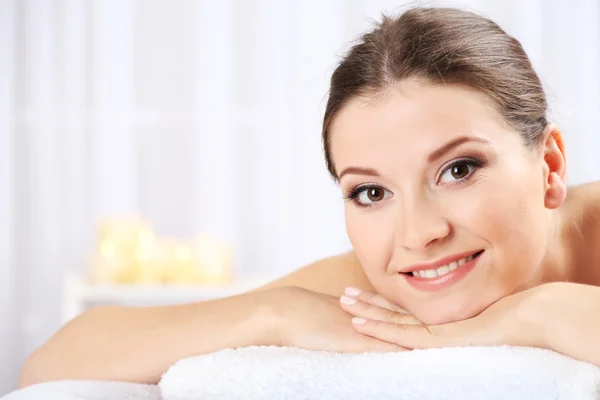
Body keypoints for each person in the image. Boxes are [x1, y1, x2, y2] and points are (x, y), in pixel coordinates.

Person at [19, 6, 600, 388]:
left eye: (458, 169)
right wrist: (276, 311)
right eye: (371, 191)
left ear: (549, 167)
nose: (418, 233)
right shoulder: (379, 282)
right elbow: (52, 364)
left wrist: (538, 312)